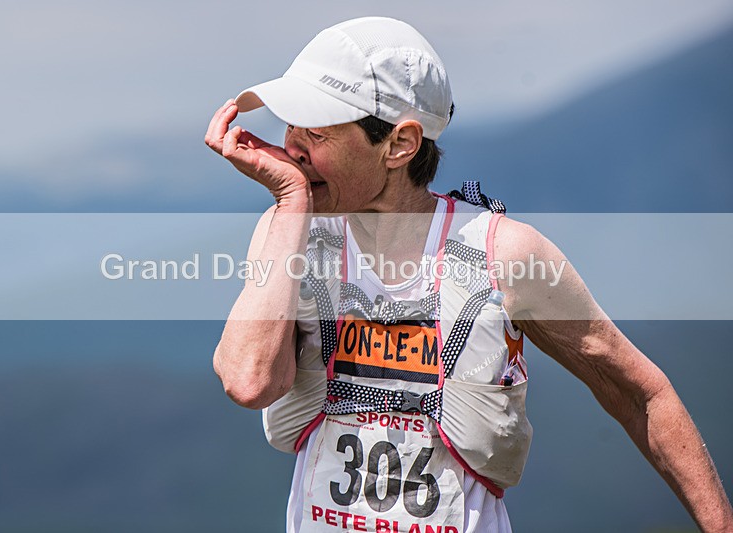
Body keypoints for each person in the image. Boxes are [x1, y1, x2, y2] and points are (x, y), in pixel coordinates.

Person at [205, 16, 733, 533]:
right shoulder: (290, 231)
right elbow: (249, 381)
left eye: (317, 133)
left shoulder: (504, 255)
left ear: (400, 145)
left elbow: (640, 395)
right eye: (291, 125)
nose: (292, 150)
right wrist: (291, 205)